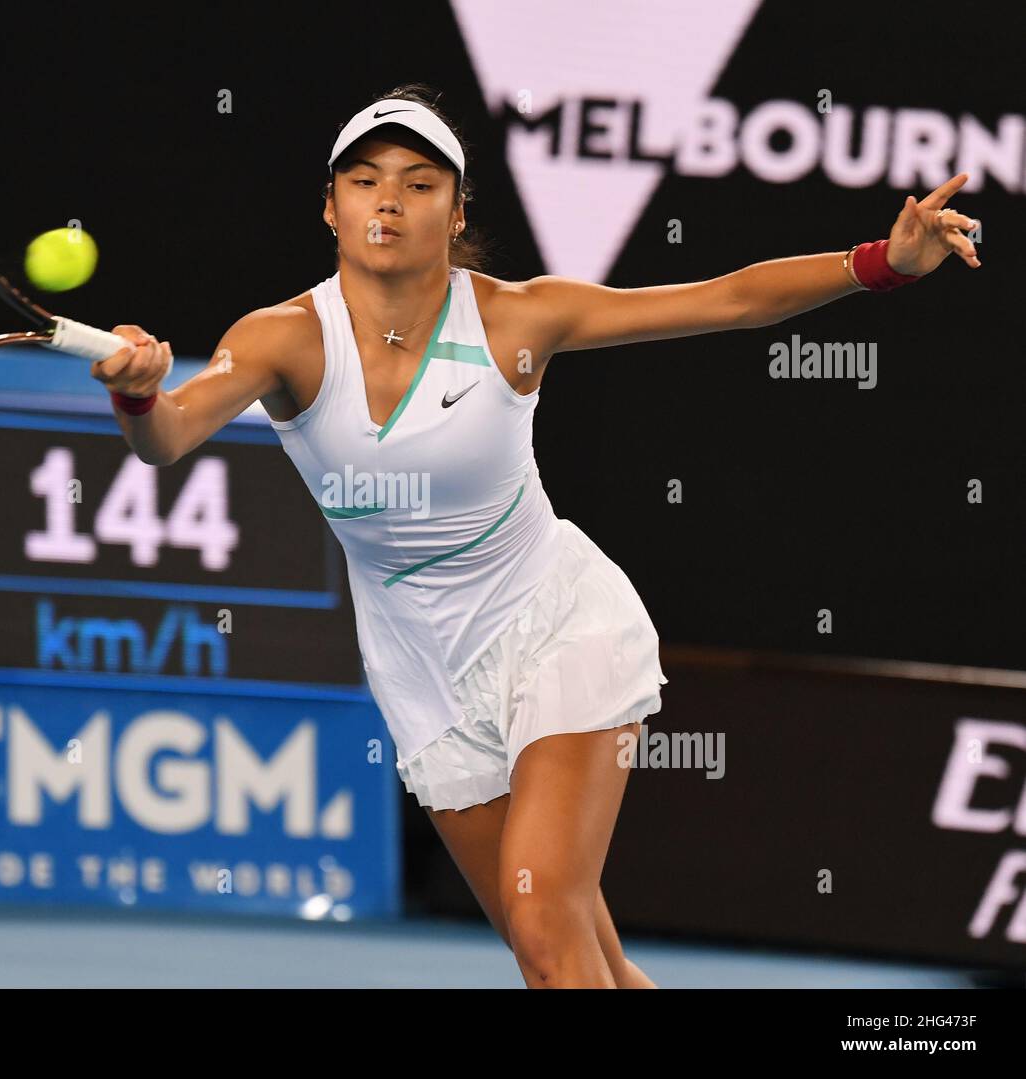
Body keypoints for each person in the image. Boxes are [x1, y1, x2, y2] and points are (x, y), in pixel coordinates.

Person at [90, 84, 981, 988]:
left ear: (458, 209)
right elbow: (166, 436)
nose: (388, 200)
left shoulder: (519, 316)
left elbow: (726, 300)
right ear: (331, 207)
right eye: (363, 181)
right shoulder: (281, 339)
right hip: (422, 671)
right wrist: (135, 393)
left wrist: (883, 262)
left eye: (419, 182)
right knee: (579, 960)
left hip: (556, 624)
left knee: (548, 933)